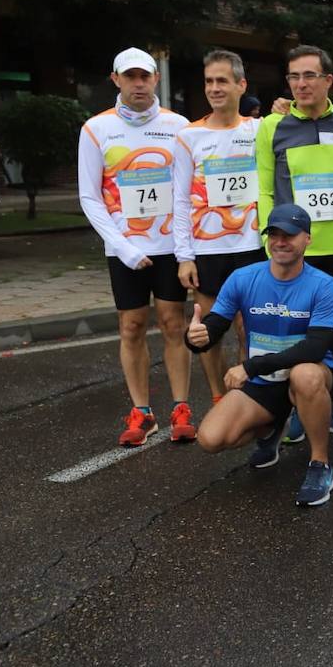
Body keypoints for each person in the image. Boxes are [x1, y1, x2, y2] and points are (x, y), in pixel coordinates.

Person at [78, 47, 197, 447]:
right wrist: (123, 247)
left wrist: (186, 248)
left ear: (156, 79)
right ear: (116, 80)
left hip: (168, 244)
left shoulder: (179, 125)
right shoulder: (97, 128)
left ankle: (181, 406)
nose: (139, 83)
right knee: (131, 327)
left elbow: (186, 190)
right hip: (124, 247)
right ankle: (142, 411)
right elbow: (90, 197)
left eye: (145, 76)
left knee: (173, 323)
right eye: (130, 77)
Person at [185, 203, 333, 507]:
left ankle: (320, 465)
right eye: (275, 234)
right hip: (264, 380)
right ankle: (272, 427)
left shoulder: (323, 284)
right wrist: (195, 338)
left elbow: (315, 348)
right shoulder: (243, 278)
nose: (281, 242)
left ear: (307, 238)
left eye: (290, 235)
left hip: (308, 375)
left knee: (305, 374)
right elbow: (214, 327)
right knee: (211, 438)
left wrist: (252, 366)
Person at [255, 44, 333, 442]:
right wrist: (268, 239)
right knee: (292, 327)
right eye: (294, 77)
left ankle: (329, 405)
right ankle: (298, 406)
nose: (301, 84)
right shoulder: (272, 125)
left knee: (332, 330)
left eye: (310, 76)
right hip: (295, 247)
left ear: (328, 81)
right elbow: (265, 188)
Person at [173, 50, 268, 404]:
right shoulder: (188, 136)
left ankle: (251, 395)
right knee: (208, 329)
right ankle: (217, 397)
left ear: (241, 85)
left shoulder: (259, 129)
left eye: (222, 81)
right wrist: (184, 256)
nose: (215, 88)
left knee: (250, 327)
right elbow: (180, 199)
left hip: (251, 246)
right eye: (209, 81)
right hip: (208, 248)